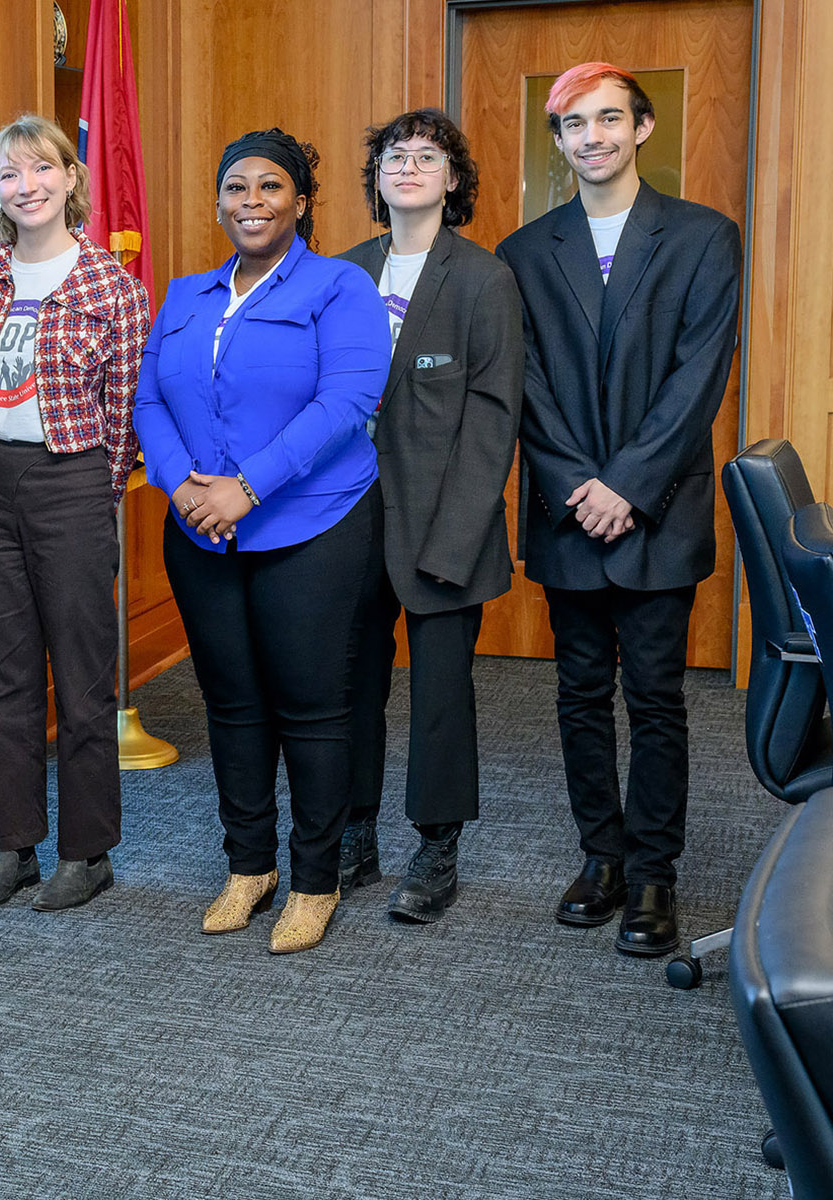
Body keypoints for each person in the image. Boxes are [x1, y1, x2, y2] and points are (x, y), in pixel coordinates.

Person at [497, 63, 740, 958]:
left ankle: (652, 875)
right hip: (568, 508)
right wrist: (578, 484)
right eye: (573, 124)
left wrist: (627, 486)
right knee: (578, 695)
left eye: (609, 120)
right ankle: (600, 858)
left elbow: (697, 380)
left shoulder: (705, 237)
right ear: (559, 141)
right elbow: (524, 385)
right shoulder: (525, 251)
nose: (592, 136)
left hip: (658, 508)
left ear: (642, 129)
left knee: (656, 698)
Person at [132, 128, 389, 954]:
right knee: (232, 707)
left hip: (310, 526)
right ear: (218, 203)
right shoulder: (186, 294)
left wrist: (245, 488)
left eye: (270, 186)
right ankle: (249, 866)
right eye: (236, 188)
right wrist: (186, 490)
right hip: (202, 533)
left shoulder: (340, 287)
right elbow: (149, 404)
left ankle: (315, 878)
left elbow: (346, 402)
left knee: (313, 710)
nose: (252, 202)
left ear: (302, 202)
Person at [0, 114, 149, 912]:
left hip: (73, 479)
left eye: (40, 169)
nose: (24, 186)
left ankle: (88, 851)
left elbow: (126, 415)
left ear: (72, 178)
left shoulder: (112, 287)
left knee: (81, 669)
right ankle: (16, 846)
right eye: (8, 173)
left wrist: (92, 506)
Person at [335, 109, 524, 923]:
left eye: (427, 156)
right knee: (347, 687)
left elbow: (493, 420)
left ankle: (437, 845)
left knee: (440, 692)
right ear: (376, 180)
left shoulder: (484, 280)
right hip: (342, 520)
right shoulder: (341, 273)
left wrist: (456, 539)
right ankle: (351, 833)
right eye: (393, 156)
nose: (408, 166)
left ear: (453, 180)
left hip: (447, 524)